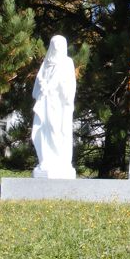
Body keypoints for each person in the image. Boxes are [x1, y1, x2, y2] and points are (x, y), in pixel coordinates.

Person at [31, 35, 76, 179]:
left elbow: (70, 84)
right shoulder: (46, 63)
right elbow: (38, 85)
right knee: (44, 129)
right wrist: (42, 88)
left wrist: (62, 89)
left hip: (59, 104)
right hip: (45, 103)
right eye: (54, 44)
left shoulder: (67, 62)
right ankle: (46, 160)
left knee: (57, 130)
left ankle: (60, 161)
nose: (57, 47)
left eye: (60, 45)